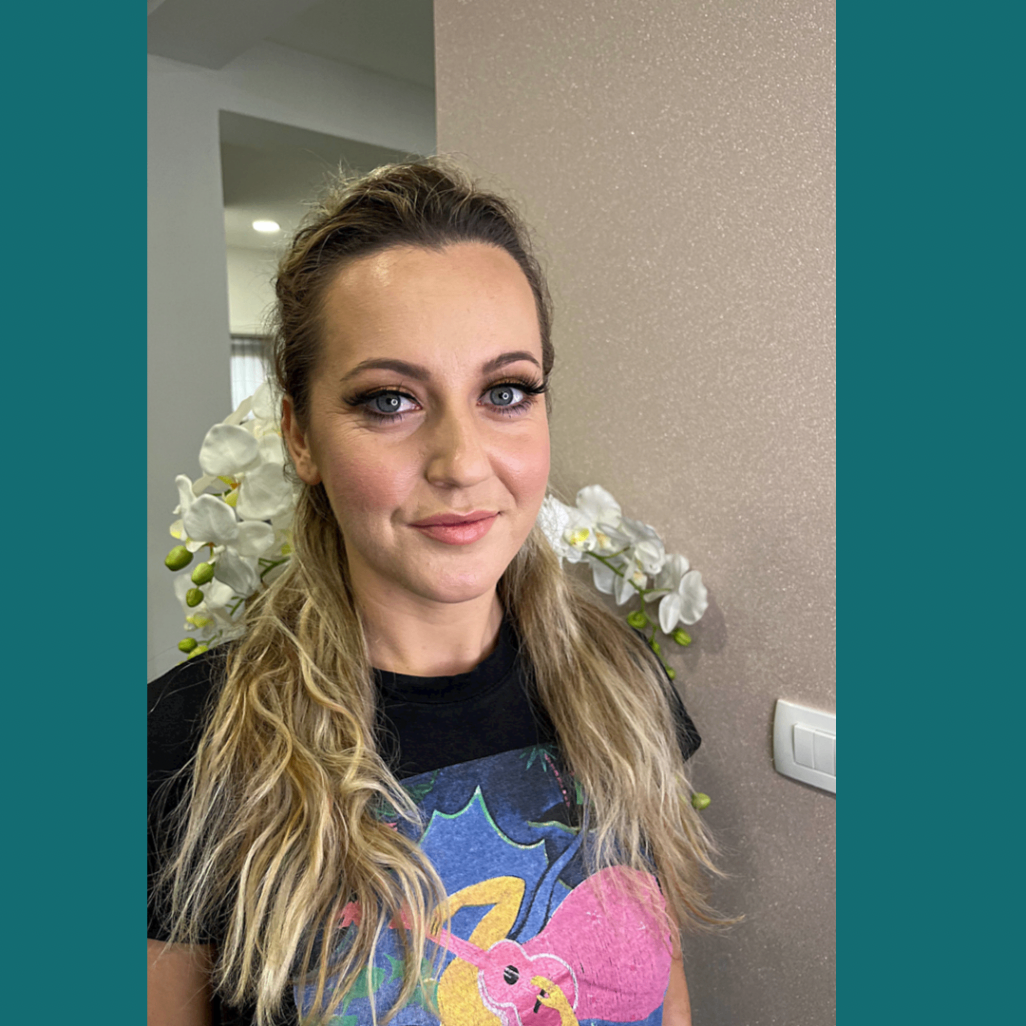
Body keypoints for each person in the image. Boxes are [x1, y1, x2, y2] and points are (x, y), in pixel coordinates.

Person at [148, 160, 724, 1026]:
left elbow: (660, 993)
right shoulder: (180, 748)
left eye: (505, 392)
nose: (462, 462)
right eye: (391, 401)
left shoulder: (622, 685)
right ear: (300, 437)